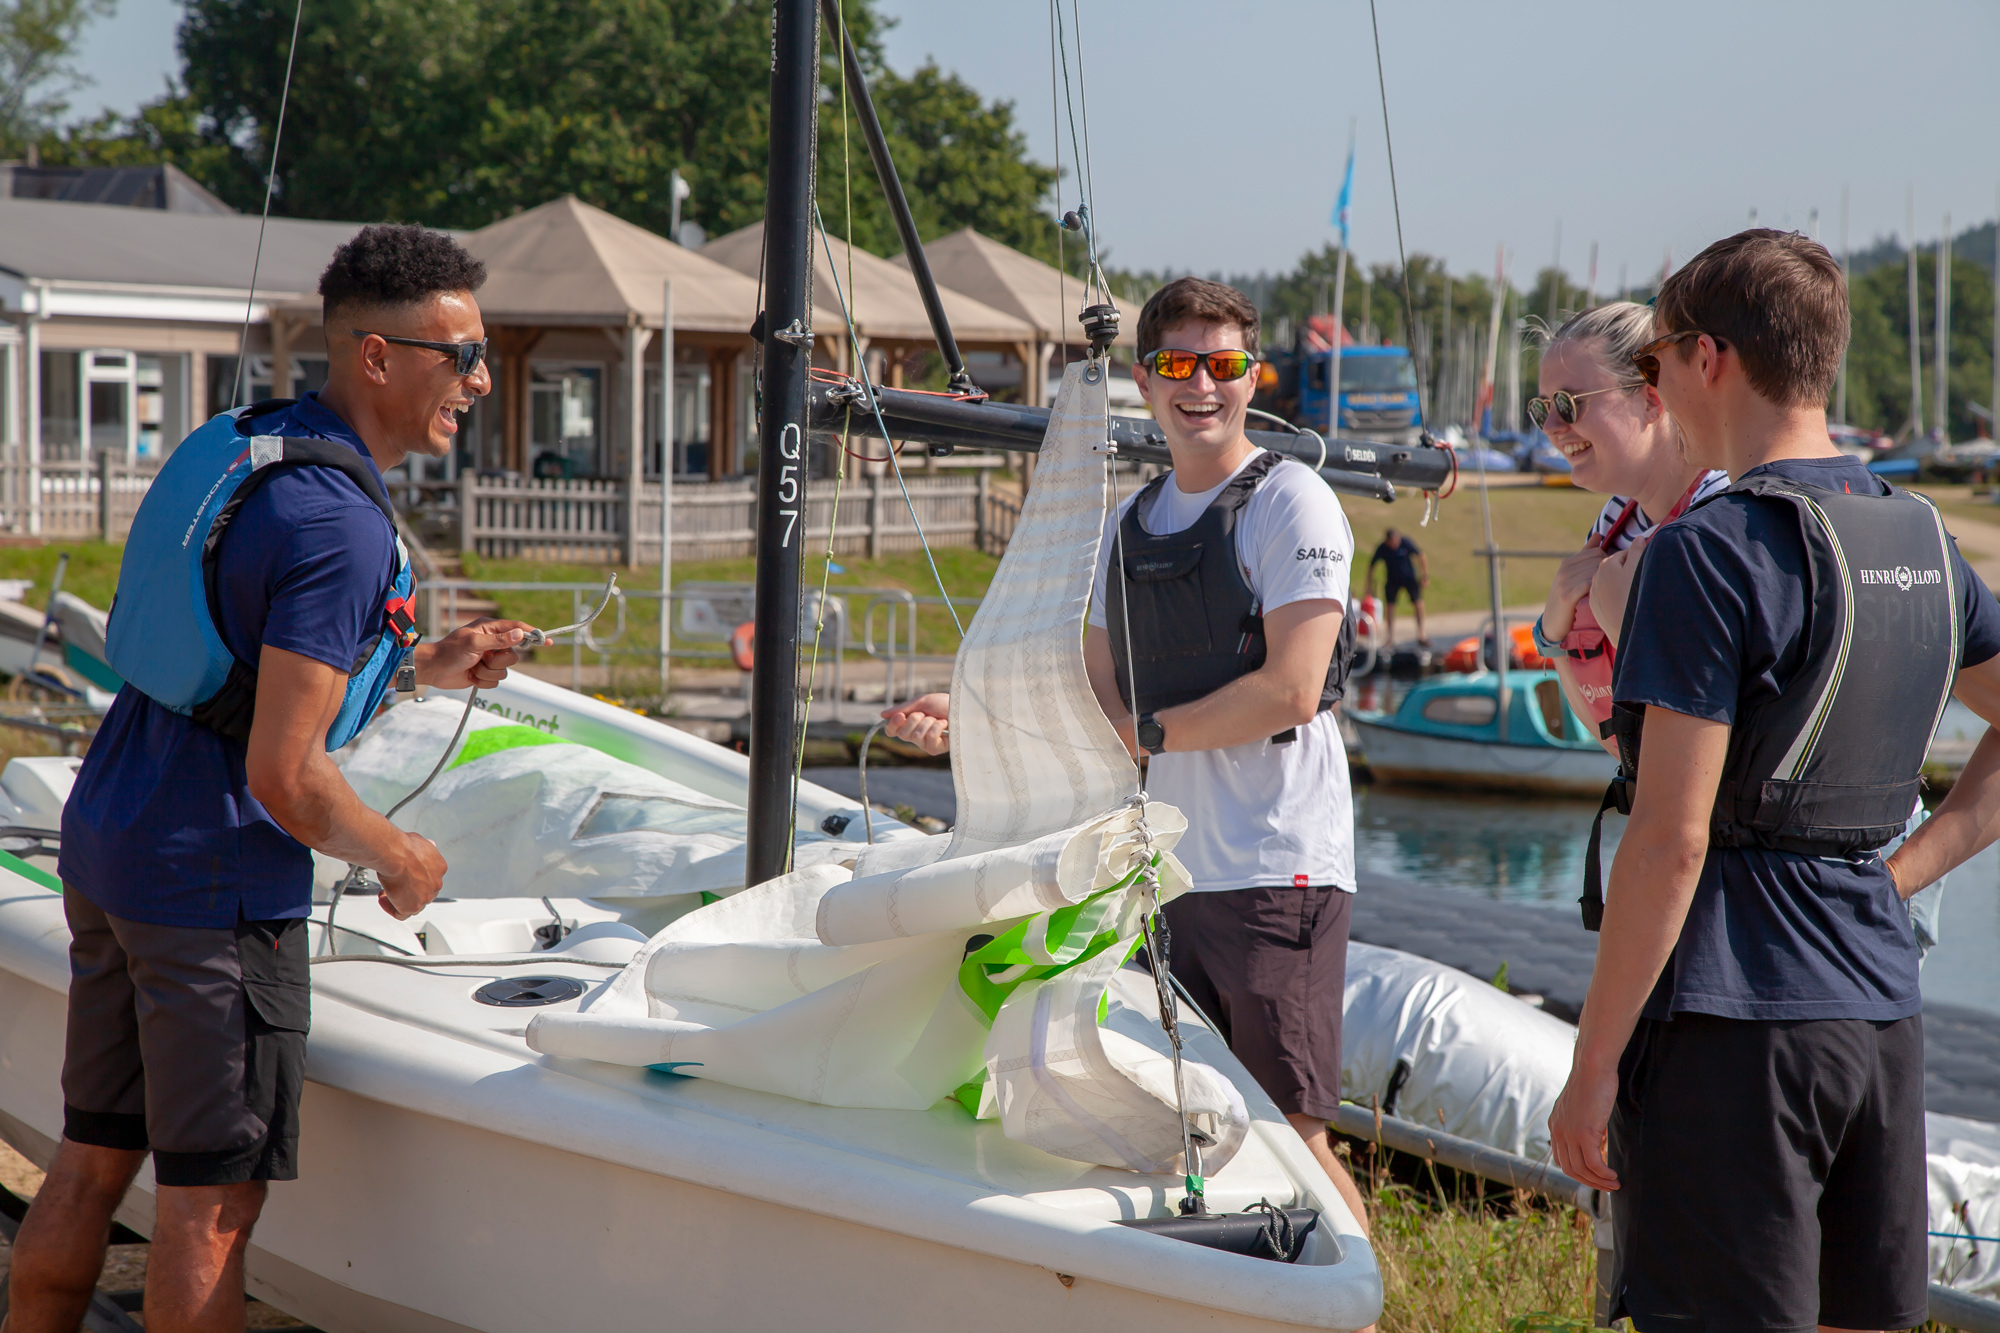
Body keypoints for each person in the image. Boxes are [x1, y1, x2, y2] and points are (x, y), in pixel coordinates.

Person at [5, 225, 529, 1333]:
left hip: (114, 842)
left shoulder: (257, 442)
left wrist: (426, 665)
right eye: (462, 356)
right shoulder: (339, 522)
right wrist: (398, 853)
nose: (479, 383)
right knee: (209, 1209)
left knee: (93, 1162)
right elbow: (287, 773)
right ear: (377, 356)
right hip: (212, 888)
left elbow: (238, 674)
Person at [1547, 229, 2000, 1332]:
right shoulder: (1920, 538)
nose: (1652, 382)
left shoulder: (1707, 552)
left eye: (1650, 361)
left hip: (1733, 1022)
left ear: (1708, 357)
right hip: (1880, 1011)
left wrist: (1590, 1065)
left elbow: (1670, 839)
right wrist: (1896, 877)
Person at [879, 277, 1371, 1239]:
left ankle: (1361, 1303)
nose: (1203, 386)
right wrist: (972, 723)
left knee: (1292, 1133)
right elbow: (1084, 694)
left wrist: (1147, 736)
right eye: (1180, 365)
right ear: (1145, 380)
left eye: (1225, 365)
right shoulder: (1125, 525)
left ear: (1252, 375)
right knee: (1200, 1129)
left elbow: (1293, 688)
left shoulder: (1292, 505)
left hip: (1280, 867)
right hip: (1168, 874)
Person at [1528, 303, 1728, 740]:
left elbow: (1726, 727)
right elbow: (1610, 736)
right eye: (1542, 408)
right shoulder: (1616, 518)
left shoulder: (1721, 519)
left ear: (1652, 399)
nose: (1552, 427)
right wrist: (1553, 627)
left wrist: (1626, 629)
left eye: (1568, 403)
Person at [1365, 527, 1428, 647]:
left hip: (1409, 578)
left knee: (1418, 603)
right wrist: (1369, 586)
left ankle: (1421, 634)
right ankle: (1390, 637)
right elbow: (1372, 566)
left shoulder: (1405, 542)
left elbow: (1421, 555)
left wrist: (1425, 576)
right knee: (1390, 606)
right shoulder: (1383, 548)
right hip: (1392, 580)